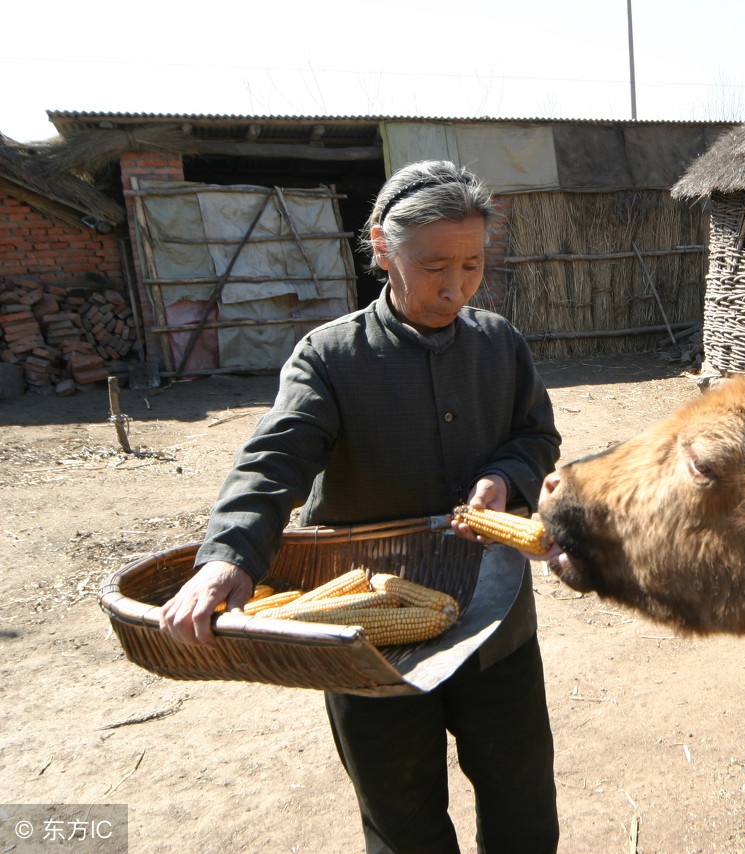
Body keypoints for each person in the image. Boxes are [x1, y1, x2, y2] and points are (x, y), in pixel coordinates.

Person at [158, 160, 562, 854]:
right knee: (402, 823)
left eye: (471, 265)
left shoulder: (499, 344)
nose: (455, 286)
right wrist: (228, 557)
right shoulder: (329, 357)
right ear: (381, 247)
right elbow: (272, 462)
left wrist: (504, 478)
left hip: (494, 624)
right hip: (365, 642)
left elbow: (536, 434)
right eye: (434, 264)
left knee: (523, 805)